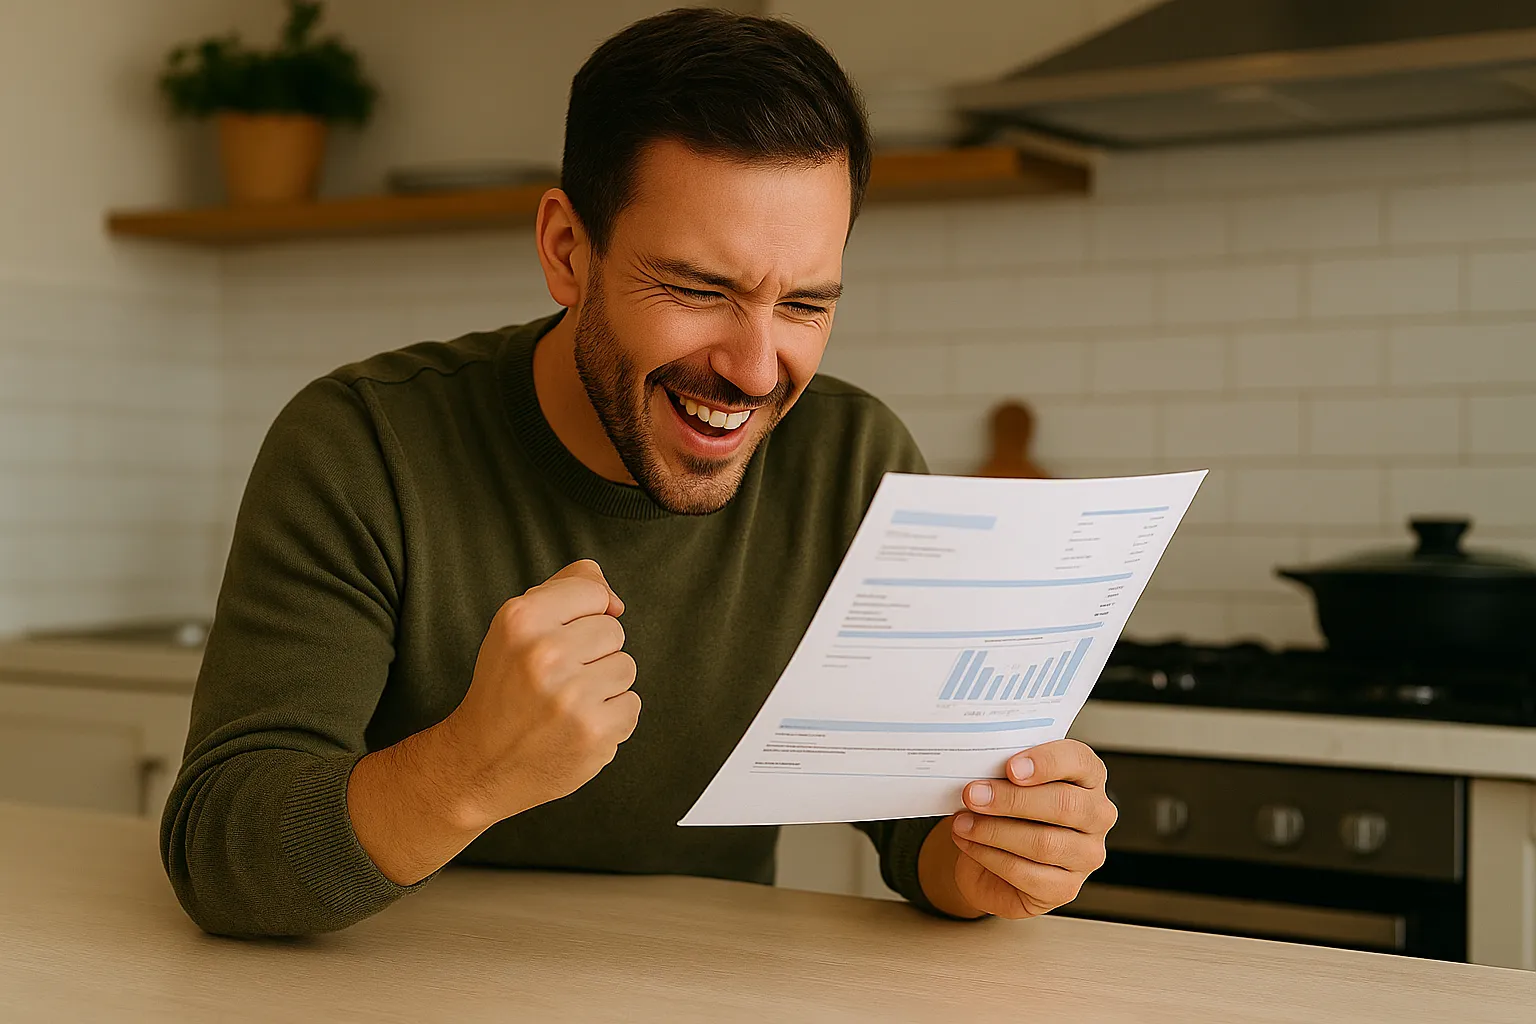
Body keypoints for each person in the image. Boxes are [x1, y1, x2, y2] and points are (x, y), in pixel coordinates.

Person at [161, 7, 1117, 938]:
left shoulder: (851, 463)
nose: (753, 369)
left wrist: (998, 855)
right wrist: (472, 767)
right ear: (568, 251)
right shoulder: (361, 445)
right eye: (702, 290)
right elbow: (223, 856)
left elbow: (922, 829)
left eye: (804, 305)